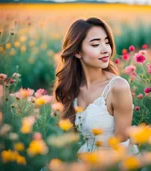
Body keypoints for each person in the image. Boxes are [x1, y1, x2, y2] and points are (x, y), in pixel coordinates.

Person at [53, 17, 139, 156]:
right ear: (77, 52)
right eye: (95, 45)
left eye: (107, 42)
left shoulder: (118, 87)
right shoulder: (72, 88)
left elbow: (122, 146)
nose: (105, 50)